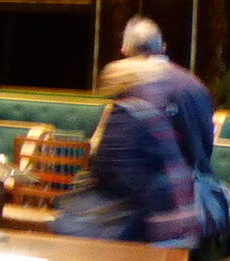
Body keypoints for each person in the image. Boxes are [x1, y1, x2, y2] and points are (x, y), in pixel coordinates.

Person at [73, 56, 201, 247]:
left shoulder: (122, 115)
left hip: (128, 218)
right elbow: (129, 176)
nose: (163, 92)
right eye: (155, 85)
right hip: (129, 224)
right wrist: (166, 216)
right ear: (136, 88)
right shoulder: (136, 120)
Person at [120, 15, 216, 175]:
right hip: (197, 186)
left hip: (150, 190)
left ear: (125, 51)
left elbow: (112, 152)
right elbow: (206, 143)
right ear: (163, 48)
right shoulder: (194, 83)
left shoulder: (130, 87)